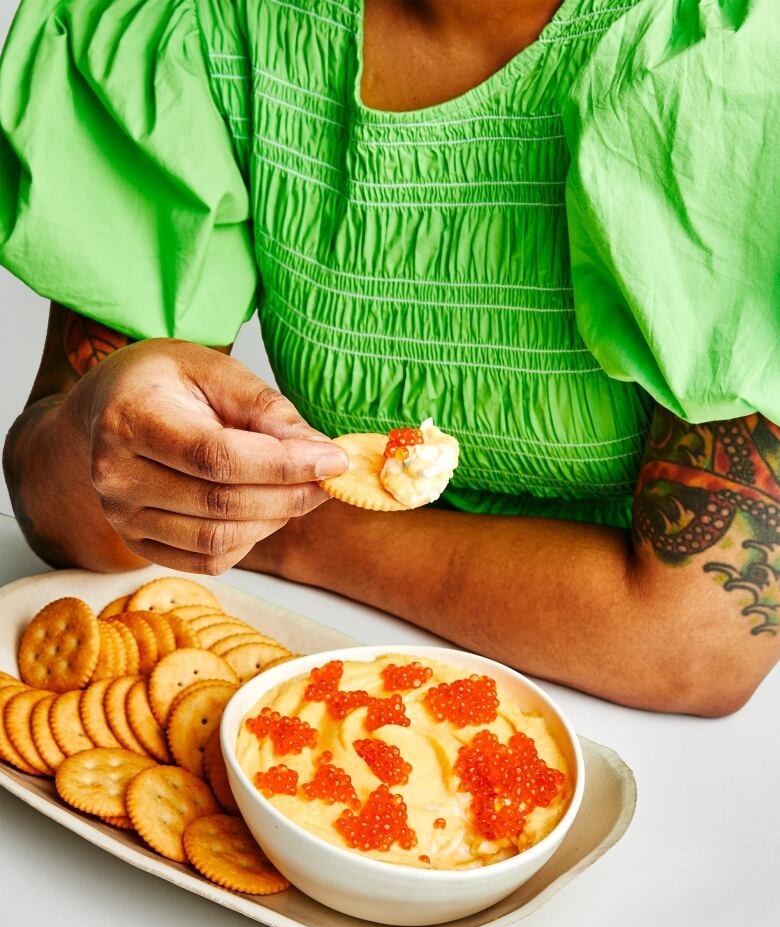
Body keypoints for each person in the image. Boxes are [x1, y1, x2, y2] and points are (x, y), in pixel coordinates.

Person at [0, 0, 777, 716]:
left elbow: (697, 642)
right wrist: (105, 426)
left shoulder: (724, 57)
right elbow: (75, 520)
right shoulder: (194, 21)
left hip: (634, 742)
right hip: (321, 664)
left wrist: (271, 521)